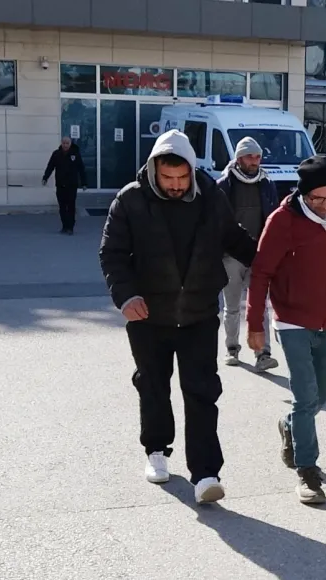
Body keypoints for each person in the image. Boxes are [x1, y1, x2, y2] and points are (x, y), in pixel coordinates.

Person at [98, 129, 257, 505]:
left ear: (191, 170)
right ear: (154, 170)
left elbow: (234, 239)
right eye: (167, 177)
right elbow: (112, 253)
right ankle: (156, 450)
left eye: (181, 177)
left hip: (199, 314)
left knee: (202, 391)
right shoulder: (130, 200)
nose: (174, 185)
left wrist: (271, 262)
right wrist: (125, 296)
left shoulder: (210, 197)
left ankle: (206, 473)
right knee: (153, 386)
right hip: (148, 316)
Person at [247, 156, 326, 505]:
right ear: (303, 194)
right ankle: (308, 471)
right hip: (292, 320)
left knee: (324, 394)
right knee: (305, 396)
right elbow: (260, 273)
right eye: (317, 198)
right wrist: (254, 324)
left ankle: (290, 426)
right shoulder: (282, 220)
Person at [217, 136, 280, 373]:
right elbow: (215, 222)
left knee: (259, 307)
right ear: (238, 158)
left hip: (258, 255)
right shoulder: (223, 185)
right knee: (232, 306)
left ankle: (263, 354)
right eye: (249, 156)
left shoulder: (267, 184)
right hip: (231, 256)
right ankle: (232, 349)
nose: (254, 161)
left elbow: (274, 219)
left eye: (257, 157)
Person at [42, 136, 87, 235]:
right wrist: (45, 178)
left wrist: (84, 183)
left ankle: (70, 227)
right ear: (61, 143)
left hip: (71, 185)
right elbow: (50, 167)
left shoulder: (75, 154)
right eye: (64, 143)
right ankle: (64, 226)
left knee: (71, 206)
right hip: (60, 184)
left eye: (67, 143)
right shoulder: (56, 154)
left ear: (70, 144)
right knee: (62, 207)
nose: (65, 145)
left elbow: (81, 169)